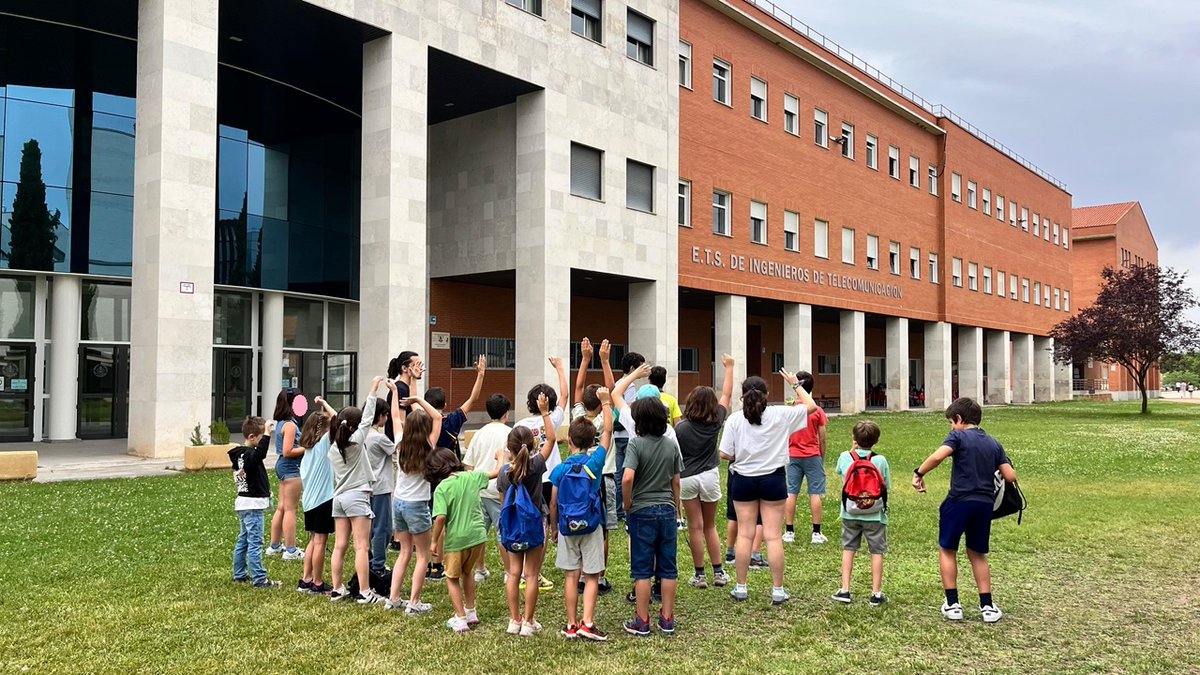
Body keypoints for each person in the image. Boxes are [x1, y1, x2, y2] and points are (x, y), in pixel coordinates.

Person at [913, 397, 1016, 624]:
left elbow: (939, 455)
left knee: (947, 548)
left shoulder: (957, 437)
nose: (951, 427)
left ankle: (952, 604)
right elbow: (1010, 476)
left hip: (959, 501)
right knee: (977, 553)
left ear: (959, 420)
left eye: (951, 422)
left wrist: (919, 472)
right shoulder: (993, 442)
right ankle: (987, 606)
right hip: (984, 505)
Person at [719, 371, 818, 605]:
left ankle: (741, 587)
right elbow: (812, 406)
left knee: (744, 533)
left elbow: (724, 453)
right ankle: (777, 590)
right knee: (773, 536)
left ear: (742, 397)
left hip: (743, 479)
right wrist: (795, 384)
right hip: (773, 478)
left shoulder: (734, 419)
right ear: (767, 395)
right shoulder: (781, 414)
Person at [549, 390, 614, 641]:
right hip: (592, 524)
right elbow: (607, 432)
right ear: (591, 441)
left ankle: (571, 624)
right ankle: (588, 622)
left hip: (566, 525)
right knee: (592, 575)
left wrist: (554, 528)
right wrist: (606, 402)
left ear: (568, 441)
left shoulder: (559, 469)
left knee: (571, 575)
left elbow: (553, 503)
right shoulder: (595, 462)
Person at [621, 396, 683, 637]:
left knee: (642, 569)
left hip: (642, 510)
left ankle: (642, 620)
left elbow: (627, 478)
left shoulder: (636, 444)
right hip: (667, 509)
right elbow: (676, 481)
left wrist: (627, 503)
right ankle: (667, 618)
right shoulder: (671, 445)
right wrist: (677, 507)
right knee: (668, 567)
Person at [499, 393, 557, 636]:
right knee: (532, 574)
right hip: (534, 524)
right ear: (532, 446)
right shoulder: (535, 466)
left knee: (514, 573)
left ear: (509, 449)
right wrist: (545, 412)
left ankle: (514, 620)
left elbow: (503, 503)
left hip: (513, 527)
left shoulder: (503, 473)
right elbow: (552, 440)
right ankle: (529, 622)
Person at [430, 445, 505, 633]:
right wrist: (500, 456)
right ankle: (471, 611)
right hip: (478, 536)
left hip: (457, 540)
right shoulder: (472, 477)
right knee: (468, 572)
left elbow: (440, 517)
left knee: (452, 577)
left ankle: (460, 618)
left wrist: (434, 541)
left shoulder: (442, 488)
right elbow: (497, 472)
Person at [677, 353, 735, 590]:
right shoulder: (716, 421)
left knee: (695, 527)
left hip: (687, 478)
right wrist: (729, 368)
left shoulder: (680, 428)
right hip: (710, 475)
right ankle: (719, 572)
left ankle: (699, 575)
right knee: (710, 526)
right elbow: (727, 394)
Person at [384, 392, 445, 614]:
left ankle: (393, 598)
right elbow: (437, 417)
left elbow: (393, 415)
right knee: (422, 556)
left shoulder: (400, 442)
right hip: (417, 505)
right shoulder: (429, 445)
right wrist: (418, 400)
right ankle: (414, 602)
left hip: (398, 503)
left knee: (404, 552)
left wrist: (394, 393)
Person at [328, 377, 387, 604]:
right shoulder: (356, 442)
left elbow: (340, 421)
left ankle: (337, 589)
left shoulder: (334, 447)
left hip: (339, 498)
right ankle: (364, 592)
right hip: (357, 497)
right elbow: (368, 416)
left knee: (339, 545)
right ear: (355, 426)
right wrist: (373, 388)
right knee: (362, 546)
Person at [511, 356, 568, 592]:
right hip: (549, 478)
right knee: (544, 526)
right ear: (549, 404)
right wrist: (560, 368)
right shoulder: (552, 418)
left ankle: (522, 569)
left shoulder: (520, 425)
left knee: (527, 521)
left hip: (526, 479)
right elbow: (565, 395)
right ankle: (535, 571)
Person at [570, 338, 615, 596]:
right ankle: (600, 576)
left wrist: (585, 360)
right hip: (603, 478)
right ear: (601, 403)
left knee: (579, 520)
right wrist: (604, 361)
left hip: (577, 476)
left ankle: (578, 574)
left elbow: (578, 389)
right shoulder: (603, 419)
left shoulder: (577, 418)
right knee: (603, 530)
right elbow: (611, 394)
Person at [831, 421, 890, 606]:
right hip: (875, 514)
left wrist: (852, 449)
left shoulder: (845, 457)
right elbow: (886, 485)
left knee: (849, 549)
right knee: (877, 551)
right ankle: (876, 593)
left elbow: (839, 471)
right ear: (877, 440)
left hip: (850, 512)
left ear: (854, 439)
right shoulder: (880, 460)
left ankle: (845, 589)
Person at [461, 393, 513, 584]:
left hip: (479, 490)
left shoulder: (479, 433)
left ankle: (479, 569)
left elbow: (468, 464)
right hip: (500, 491)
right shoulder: (509, 434)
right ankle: (509, 571)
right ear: (506, 414)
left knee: (479, 533)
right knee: (503, 532)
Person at [229, 416, 280, 588]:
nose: (262, 441)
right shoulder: (249, 454)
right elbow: (261, 454)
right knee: (255, 542)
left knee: (243, 539)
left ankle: (239, 574)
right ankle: (259, 578)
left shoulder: (240, 455)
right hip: (252, 506)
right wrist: (267, 433)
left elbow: (250, 475)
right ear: (252, 437)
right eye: (260, 438)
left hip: (244, 503)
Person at [602, 346, 647, 521]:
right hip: (626, 435)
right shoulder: (630, 385)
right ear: (632, 369)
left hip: (617, 435)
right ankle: (623, 509)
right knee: (626, 472)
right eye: (641, 367)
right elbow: (626, 410)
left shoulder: (620, 383)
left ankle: (618, 510)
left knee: (619, 472)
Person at [784, 370, 829, 545]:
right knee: (815, 493)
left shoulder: (790, 409)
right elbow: (822, 438)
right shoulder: (817, 410)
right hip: (812, 455)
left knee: (790, 492)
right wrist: (821, 457)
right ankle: (816, 533)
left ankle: (789, 532)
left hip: (792, 455)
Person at [364, 381, 403, 578]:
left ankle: (369, 560)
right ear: (378, 415)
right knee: (383, 528)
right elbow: (397, 447)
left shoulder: (361, 435)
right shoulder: (378, 438)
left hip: (365, 487)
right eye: (385, 415)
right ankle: (378, 565)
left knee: (369, 528)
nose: (387, 418)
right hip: (380, 487)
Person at [297, 405, 335, 595]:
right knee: (320, 541)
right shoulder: (324, 444)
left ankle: (306, 579)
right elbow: (337, 417)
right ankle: (318, 582)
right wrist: (325, 404)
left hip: (310, 501)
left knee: (313, 540)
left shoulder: (308, 449)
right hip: (323, 500)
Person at [266, 388, 304, 560]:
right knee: (291, 509)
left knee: (282, 507)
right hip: (291, 468)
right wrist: (308, 448)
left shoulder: (283, 423)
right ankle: (290, 550)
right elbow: (288, 451)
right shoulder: (290, 426)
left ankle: (275, 546)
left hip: (283, 467)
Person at [426, 355, 486, 459]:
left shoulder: (421, 422)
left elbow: (414, 404)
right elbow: (473, 399)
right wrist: (480, 375)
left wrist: (413, 377)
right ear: (445, 405)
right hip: (450, 468)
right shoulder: (452, 421)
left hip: (430, 468)